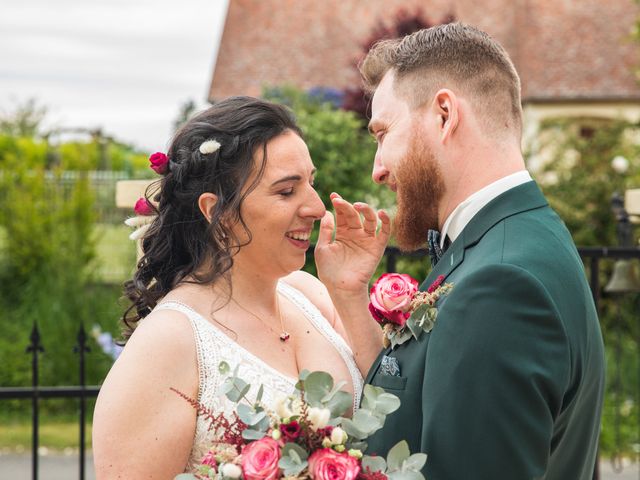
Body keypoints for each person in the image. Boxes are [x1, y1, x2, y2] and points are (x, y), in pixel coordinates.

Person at [315, 23, 605, 479]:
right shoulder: (522, 238)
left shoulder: (501, 284)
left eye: (382, 133)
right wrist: (352, 295)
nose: (378, 169)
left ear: (445, 114)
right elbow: (419, 408)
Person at [92, 96, 389, 477]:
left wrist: (350, 295)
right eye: (286, 191)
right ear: (216, 211)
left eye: (311, 184)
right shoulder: (169, 339)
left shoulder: (309, 292)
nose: (316, 207)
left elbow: (391, 397)